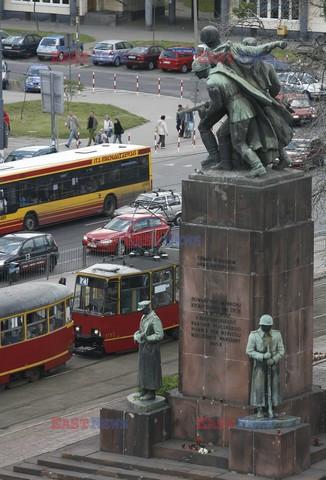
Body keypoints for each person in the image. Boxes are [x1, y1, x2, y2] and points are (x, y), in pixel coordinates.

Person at [246, 314, 285, 419]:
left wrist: (273, 359)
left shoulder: (277, 335)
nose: (267, 328)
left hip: (273, 365)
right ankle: (259, 409)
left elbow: (281, 350)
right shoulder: (254, 335)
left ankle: (272, 408)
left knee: (273, 387)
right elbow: (249, 351)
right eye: (265, 326)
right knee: (259, 387)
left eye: (269, 326)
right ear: (261, 325)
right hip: (259, 366)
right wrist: (262, 356)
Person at [133, 300, 164, 401]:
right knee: (143, 369)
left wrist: (148, 338)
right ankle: (144, 389)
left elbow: (160, 335)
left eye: (142, 310)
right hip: (144, 348)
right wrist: (137, 334)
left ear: (148, 308)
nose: (140, 312)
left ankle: (151, 392)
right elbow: (142, 330)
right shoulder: (143, 316)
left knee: (151, 370)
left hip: (152, 350)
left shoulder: (155, 319)